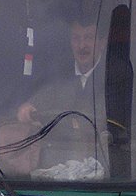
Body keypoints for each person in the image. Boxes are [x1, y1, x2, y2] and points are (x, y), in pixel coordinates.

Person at [11, 13, 109, 177]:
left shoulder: (116, 74)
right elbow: (38, 101)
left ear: (102, 43)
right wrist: (27, 108)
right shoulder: (61, 74)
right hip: (61, 160)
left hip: (102, 163)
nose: (81, 45)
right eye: (76, 39)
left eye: (88, 38)